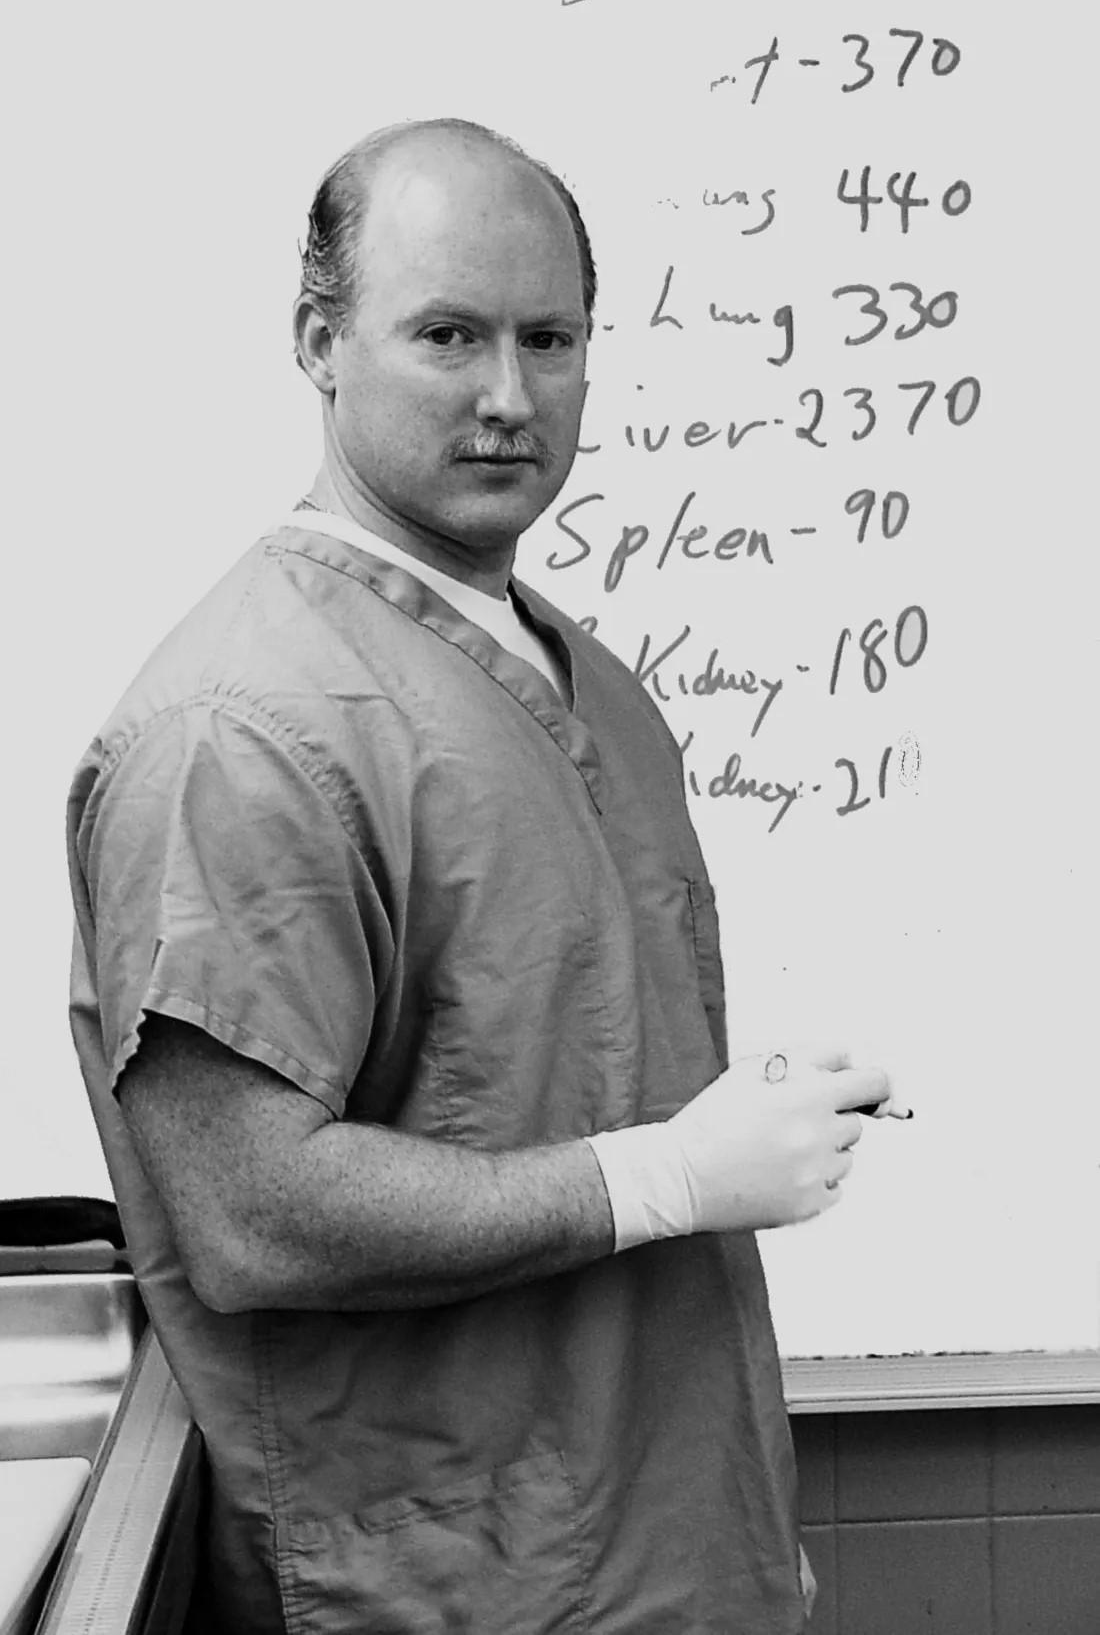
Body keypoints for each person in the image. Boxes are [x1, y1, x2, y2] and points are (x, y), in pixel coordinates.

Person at [67, 117, 893, 1634]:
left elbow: (535, 1068)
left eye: (551, 338)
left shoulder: (593, 686)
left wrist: (736, 1524)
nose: (510, 396)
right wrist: (670, 1173)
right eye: (447, 334)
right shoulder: (239, 731)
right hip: (456, 1582)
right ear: (320, 339)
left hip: (671, 1544)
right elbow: (253, 1216)